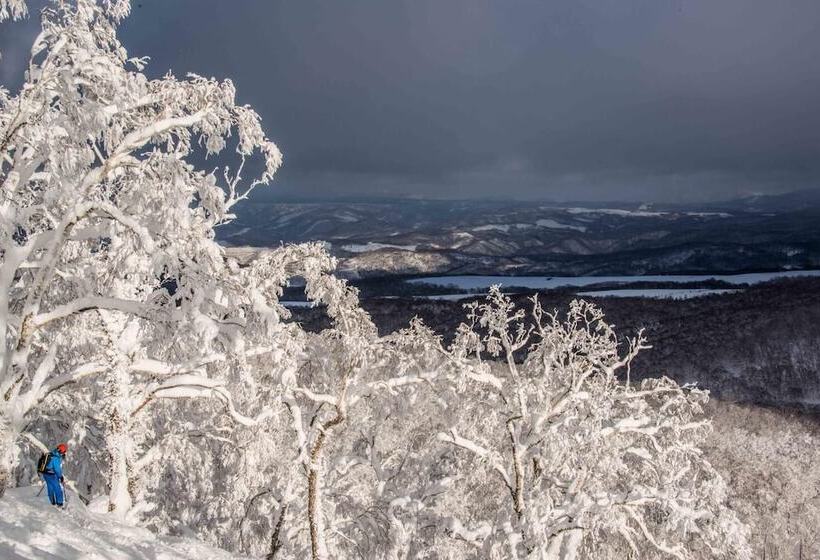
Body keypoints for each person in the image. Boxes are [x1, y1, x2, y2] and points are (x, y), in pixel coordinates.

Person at [42, 443, 67, 507]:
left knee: (50, 488)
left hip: (45, 474)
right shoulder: (56, 458)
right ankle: (59, 503)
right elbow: (57, 470)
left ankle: (52, 502)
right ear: (61, 451)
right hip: (51, 475)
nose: (64, 453)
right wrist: (60, 477)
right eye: (64, 452)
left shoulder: (51, 454)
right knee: (57, 489)